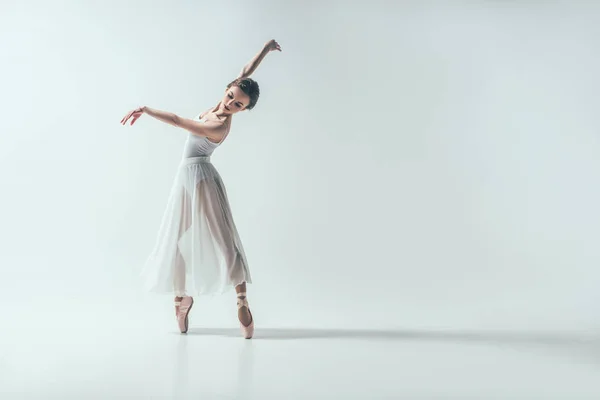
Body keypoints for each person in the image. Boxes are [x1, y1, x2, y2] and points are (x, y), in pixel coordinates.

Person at [120, 39, 282, 339]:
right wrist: (265, 49)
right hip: (185, 177)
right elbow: (246, 70)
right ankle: (181, 299)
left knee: (223, 237)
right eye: (231, 96)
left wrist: (147, 109)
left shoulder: (219, 125)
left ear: (243, 110)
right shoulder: (221, 101)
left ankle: (242, 300)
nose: (230, 103)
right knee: (176, 237)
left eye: (238, 104)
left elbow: (178, 121)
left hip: (202, 177)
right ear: (229, 88)